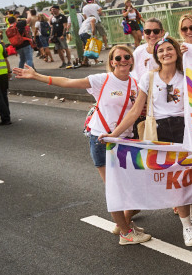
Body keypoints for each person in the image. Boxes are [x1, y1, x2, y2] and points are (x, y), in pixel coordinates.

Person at [14, 46, 150, 245]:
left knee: (133, 187)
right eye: (117, 57)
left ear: (132, 60)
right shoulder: (101, 80)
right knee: (114, 188)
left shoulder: (135, 83)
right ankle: (125, 232)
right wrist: (37, 76)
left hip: (123, 140)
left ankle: (123, 222)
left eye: (126, 57)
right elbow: (68, 82)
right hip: (102, 139)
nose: (123, 60)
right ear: (111, 61)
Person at [101, 37, 192, 247]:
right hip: (160, 131)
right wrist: (114, 134)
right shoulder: (149, 78)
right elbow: (136, 110)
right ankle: (186, 226)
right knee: (176, 180)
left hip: (186, 129)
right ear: (156, 56)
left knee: (191, 176)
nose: (166, 53)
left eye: (170, 49)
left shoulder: (187, 76)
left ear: (177, 51)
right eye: (161, 50)